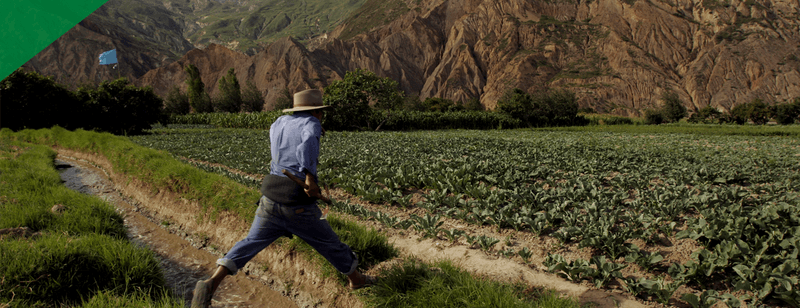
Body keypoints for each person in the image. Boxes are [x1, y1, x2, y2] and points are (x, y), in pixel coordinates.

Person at [191, 89, 375, 308]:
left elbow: (284, 146)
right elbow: (306, 147)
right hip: (296, 203)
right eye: (321, 113)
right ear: (317, 111)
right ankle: (356, 280)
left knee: (250, 242)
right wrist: (309, 177)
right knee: (329, 242)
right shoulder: (312, 124)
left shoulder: (280, 122)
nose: (322, 117)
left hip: (270, 197)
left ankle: (212, 281)